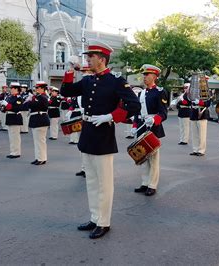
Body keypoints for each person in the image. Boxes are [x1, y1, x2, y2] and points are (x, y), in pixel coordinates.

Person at [60, 40, 140, 239]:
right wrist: (71, 70)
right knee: (92, 182)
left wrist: (111, 116)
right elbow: (66, 91)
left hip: (103, 134)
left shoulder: (115, 80)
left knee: (104, 183)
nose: (87, 59)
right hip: (87, 132)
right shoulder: (88, 80)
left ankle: (104, 222)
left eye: (91, 56)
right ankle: (95, 217)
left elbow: (134, 105)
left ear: (102, 59)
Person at [132, 64, 167, 196]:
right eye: (144, 75)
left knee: (153, 158)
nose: (144, 77)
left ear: (154, 76)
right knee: (143, 157)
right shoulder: (141, 93)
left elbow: (163, 113)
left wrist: (155, 119)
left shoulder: (160, 92)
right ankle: (144, 182)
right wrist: (135, 126)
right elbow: (137, 111)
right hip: (141, 126)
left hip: (154, 127)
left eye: (147, 75)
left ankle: (152, 185)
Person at [27, 82, 50, 165]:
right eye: (36, 88)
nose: (36, 89)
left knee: (40, 141)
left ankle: (42, 158)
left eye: (38, 88)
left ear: (42, 88)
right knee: (37, 141)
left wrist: (30, 101)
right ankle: (38, 157)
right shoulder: (38, 97)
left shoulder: (43, 97)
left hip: (40, 120)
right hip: (36, 120)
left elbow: (37, 106)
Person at [189, 76, 211, 156]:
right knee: (194, 133)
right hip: (194, 112)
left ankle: (201, 150)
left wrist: (199, 102)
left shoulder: (207, 91)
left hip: (202, 113)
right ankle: (195, 149)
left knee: (202, 134)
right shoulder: (194, 91)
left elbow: (207, 104)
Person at [2, 82, 23, 159]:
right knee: (11, 136)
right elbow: (7, 107)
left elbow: (17, 108)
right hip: (10, 117)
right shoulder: (10, 97)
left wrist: (7, 105)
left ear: (16, 89)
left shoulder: (18, 98)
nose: (10, 89)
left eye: (12, 88)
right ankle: (13, 151)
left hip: (15, 117)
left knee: (15, 136)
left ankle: (16, 152)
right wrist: (3, 107)